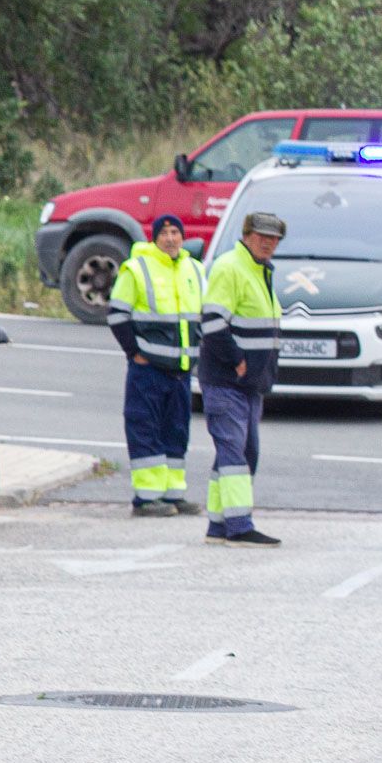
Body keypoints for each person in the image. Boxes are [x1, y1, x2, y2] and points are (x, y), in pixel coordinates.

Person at [107, 214, 206, 517]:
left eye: (175, 232)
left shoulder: (195, 269)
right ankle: (146, 499)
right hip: (148, 368)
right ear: (154, 238)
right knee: (145, 429)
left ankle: (173, 495)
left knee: (176, 432)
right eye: (164, 233)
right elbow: (117, 315)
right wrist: (134, 352)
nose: (171, 238)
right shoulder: (136, 269)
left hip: (181, 369)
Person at [199, 211, 286, 547]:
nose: (268, 243)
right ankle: (238, 526)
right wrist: (237, 362)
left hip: (249, 383)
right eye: (262, 236)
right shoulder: (230, 267)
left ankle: (219, 525)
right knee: (235, 453)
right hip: (227, 380)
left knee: (239, 452)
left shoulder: (258, 270)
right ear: (246, 235)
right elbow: (213, 324)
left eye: (274, 238)